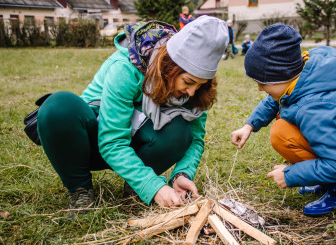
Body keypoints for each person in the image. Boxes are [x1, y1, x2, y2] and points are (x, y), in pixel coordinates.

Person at [37, 16, 228, 210]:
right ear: (170, 67)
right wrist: (154, 187)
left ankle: (134, 189)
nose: (192, 92)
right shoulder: (125, 68)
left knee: (181, 131)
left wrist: (182, 174)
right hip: (90, 141)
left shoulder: (195, 92)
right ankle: (80, 190)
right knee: (58, 106)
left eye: (200, 84)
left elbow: (195, 139)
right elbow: (111, 141)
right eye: (187, 82)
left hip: (136, 140)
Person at [231, 23, 336, 216]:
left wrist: (290, 175)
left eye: (262, 82)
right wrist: (249, 126)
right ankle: (329, 181)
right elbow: (276, 100)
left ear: (281, 77)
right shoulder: (305, 72)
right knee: (284, 128)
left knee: (282, 134)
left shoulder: (317, 106)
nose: (260, 88)